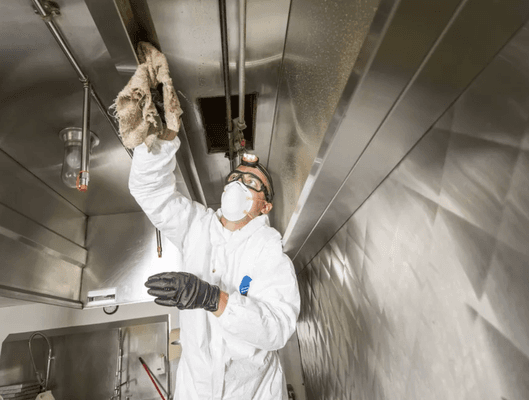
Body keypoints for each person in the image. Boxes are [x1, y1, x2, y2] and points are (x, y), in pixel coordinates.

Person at [128, 130, 300, 400]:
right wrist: (160, 137)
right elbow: (150, 193)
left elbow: (276, 330)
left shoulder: (270, 255)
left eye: (251, 182)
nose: (238, 184)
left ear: (265, 206)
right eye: (235, 178)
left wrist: (213, 298)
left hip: (251, 393)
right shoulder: (196, 227)